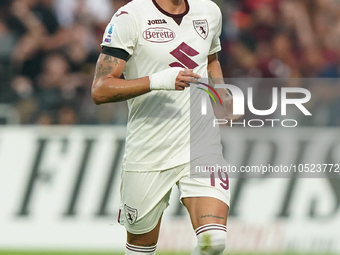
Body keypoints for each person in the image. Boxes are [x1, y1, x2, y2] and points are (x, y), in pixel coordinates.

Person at [91, 0, 236, 254]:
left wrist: (221, 93)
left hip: (200, 143)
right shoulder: (130, 17)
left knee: (213, 241)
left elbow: (211, 59)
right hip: (149, 148)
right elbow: (100, 89)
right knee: (141, 247)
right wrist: (159, 81)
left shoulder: (209, 11)